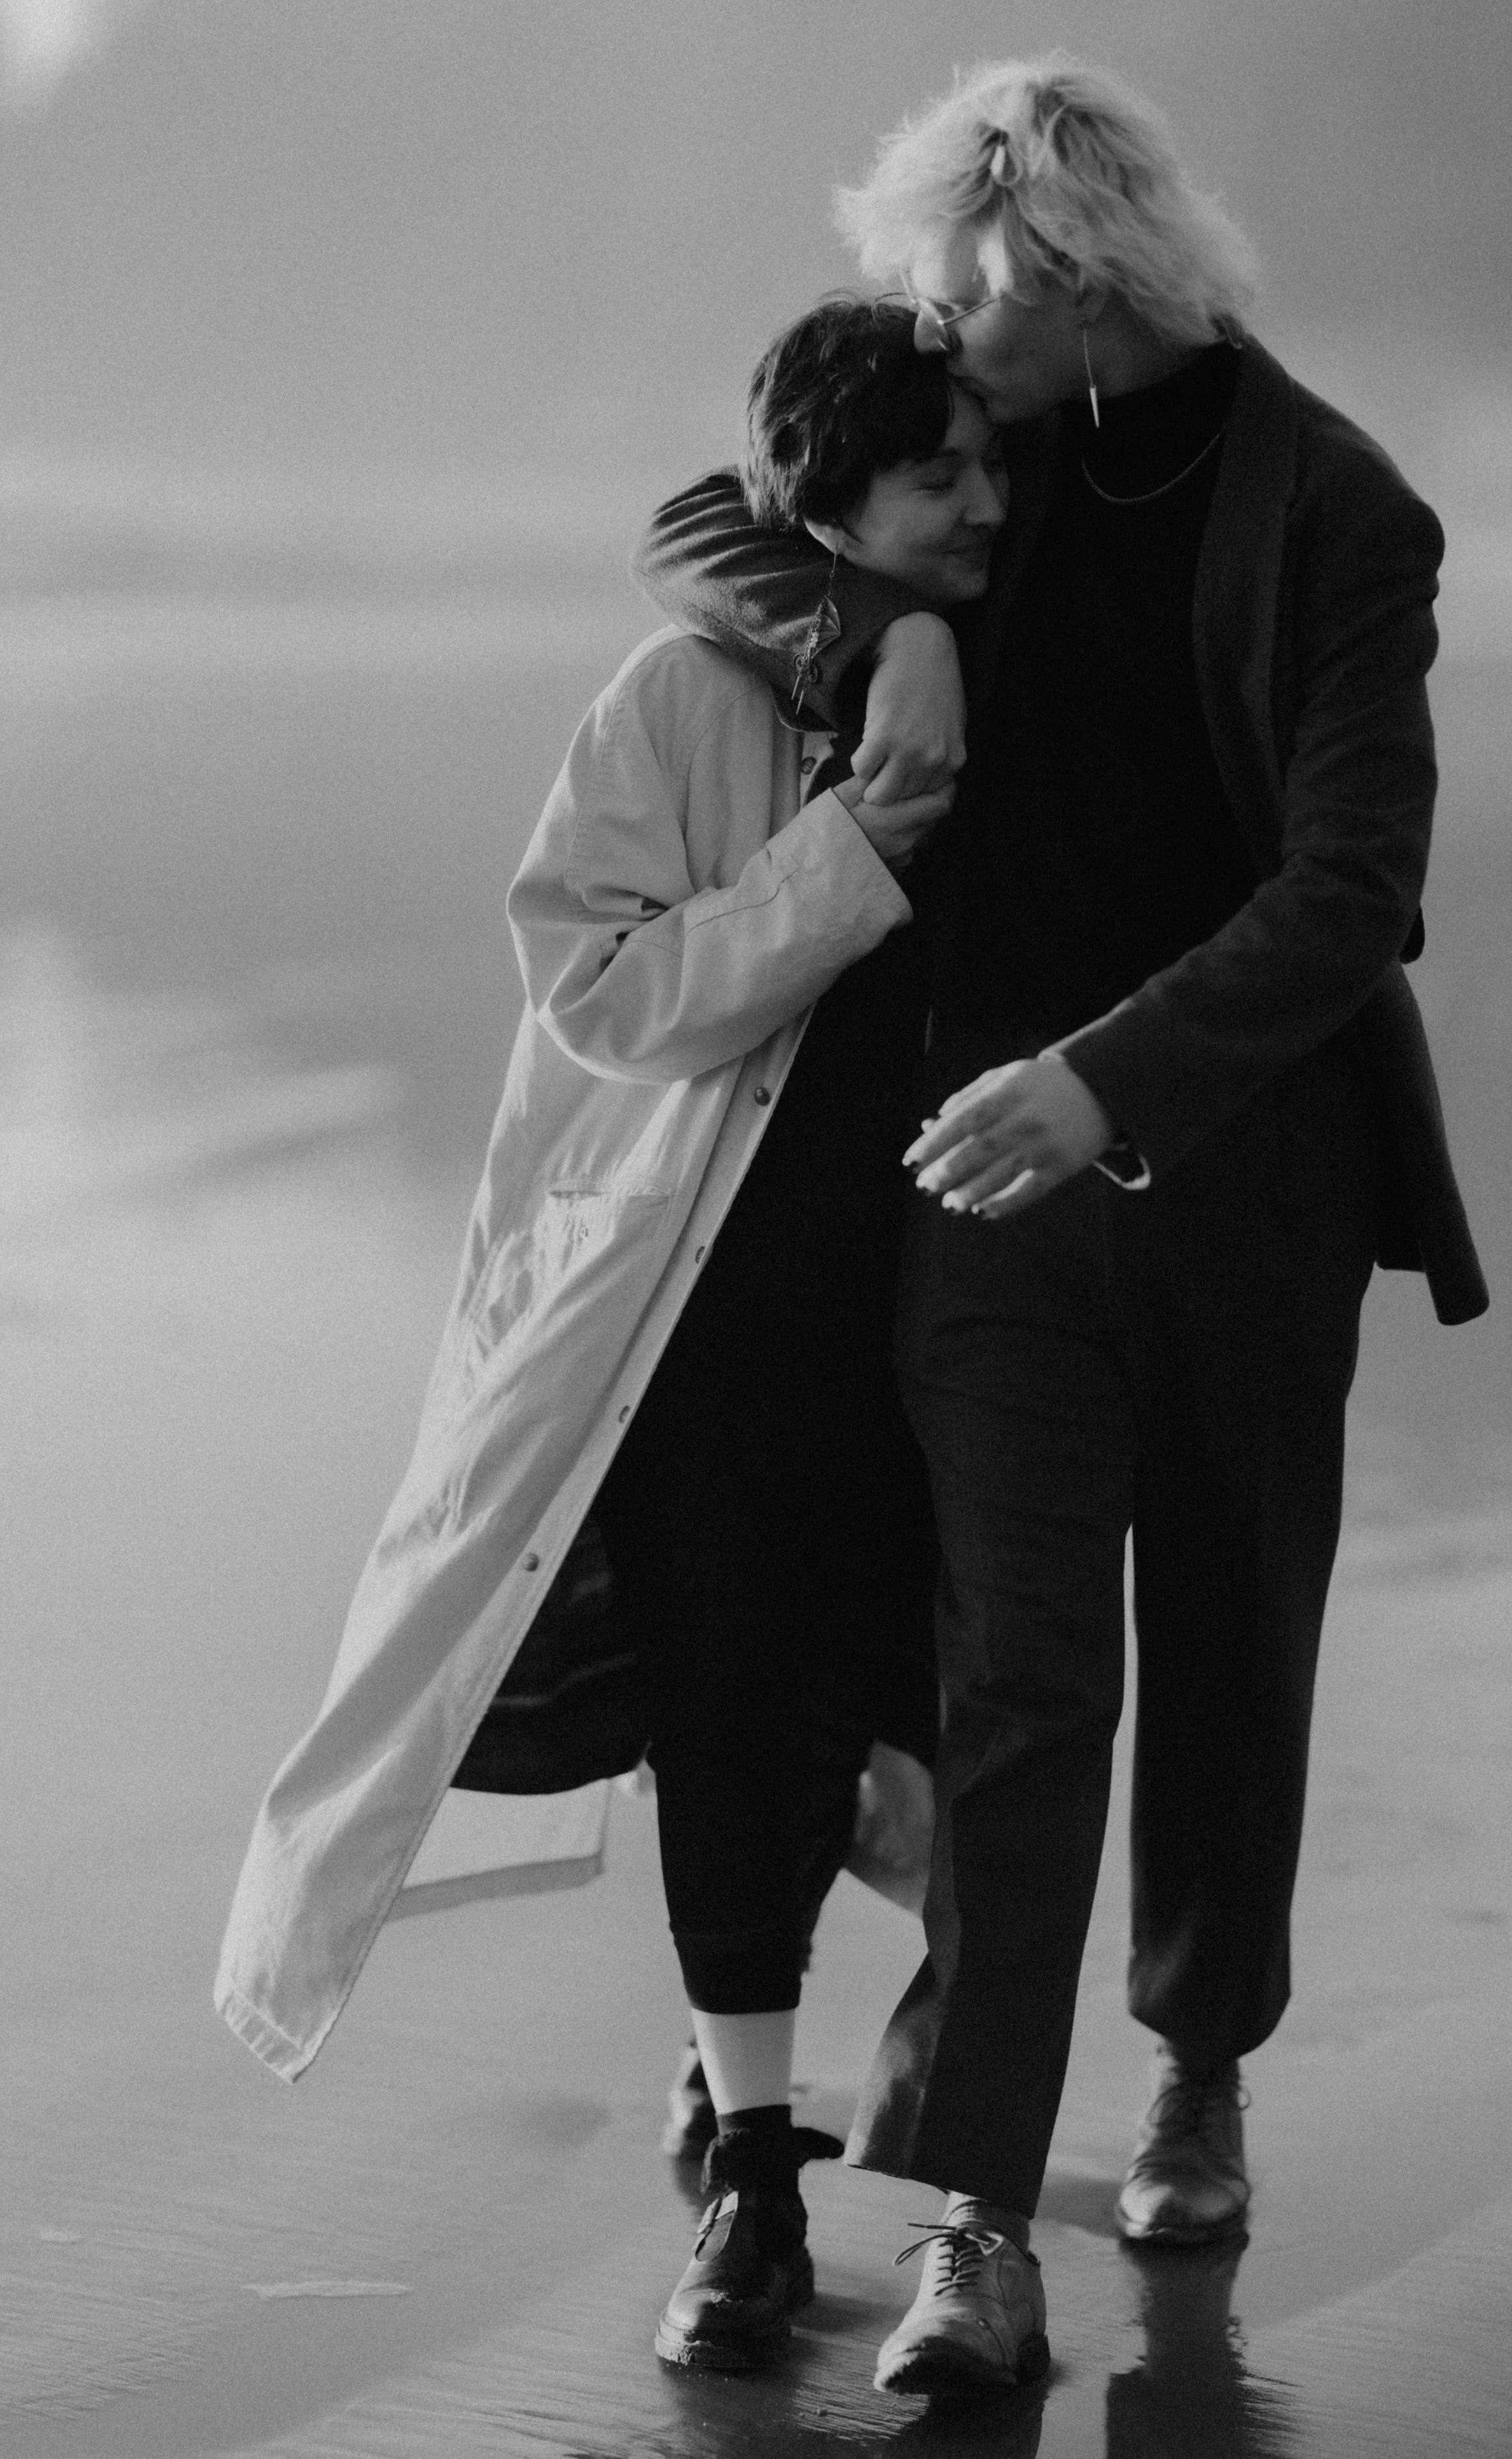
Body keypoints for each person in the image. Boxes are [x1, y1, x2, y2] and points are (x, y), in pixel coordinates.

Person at [634, 52, 1487, 2397]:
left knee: (1233, 1634)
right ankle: (979, 2219)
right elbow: (714, 512)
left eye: (957, 288)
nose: (923, 324)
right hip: (970, 1189)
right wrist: (867, 633)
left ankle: (1201, 2053)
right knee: (1017, 1681)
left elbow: (1355, 891)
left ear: (1073, 281)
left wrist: (1101, 1074)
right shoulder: (959, 446)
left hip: (1245, 1175)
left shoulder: (1341, 513)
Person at [215, 299, 1008, 2377]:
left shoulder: (1006, 660)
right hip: (719, 1323)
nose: (987, 505)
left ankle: (952, 2170)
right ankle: (755, 2165)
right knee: (738, 1725)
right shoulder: (675, 698)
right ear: (833, 505)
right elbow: (603, 994)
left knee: (926, 1718)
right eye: (943, 475)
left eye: (990, 464)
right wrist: (848, 854)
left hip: (950, 1306)